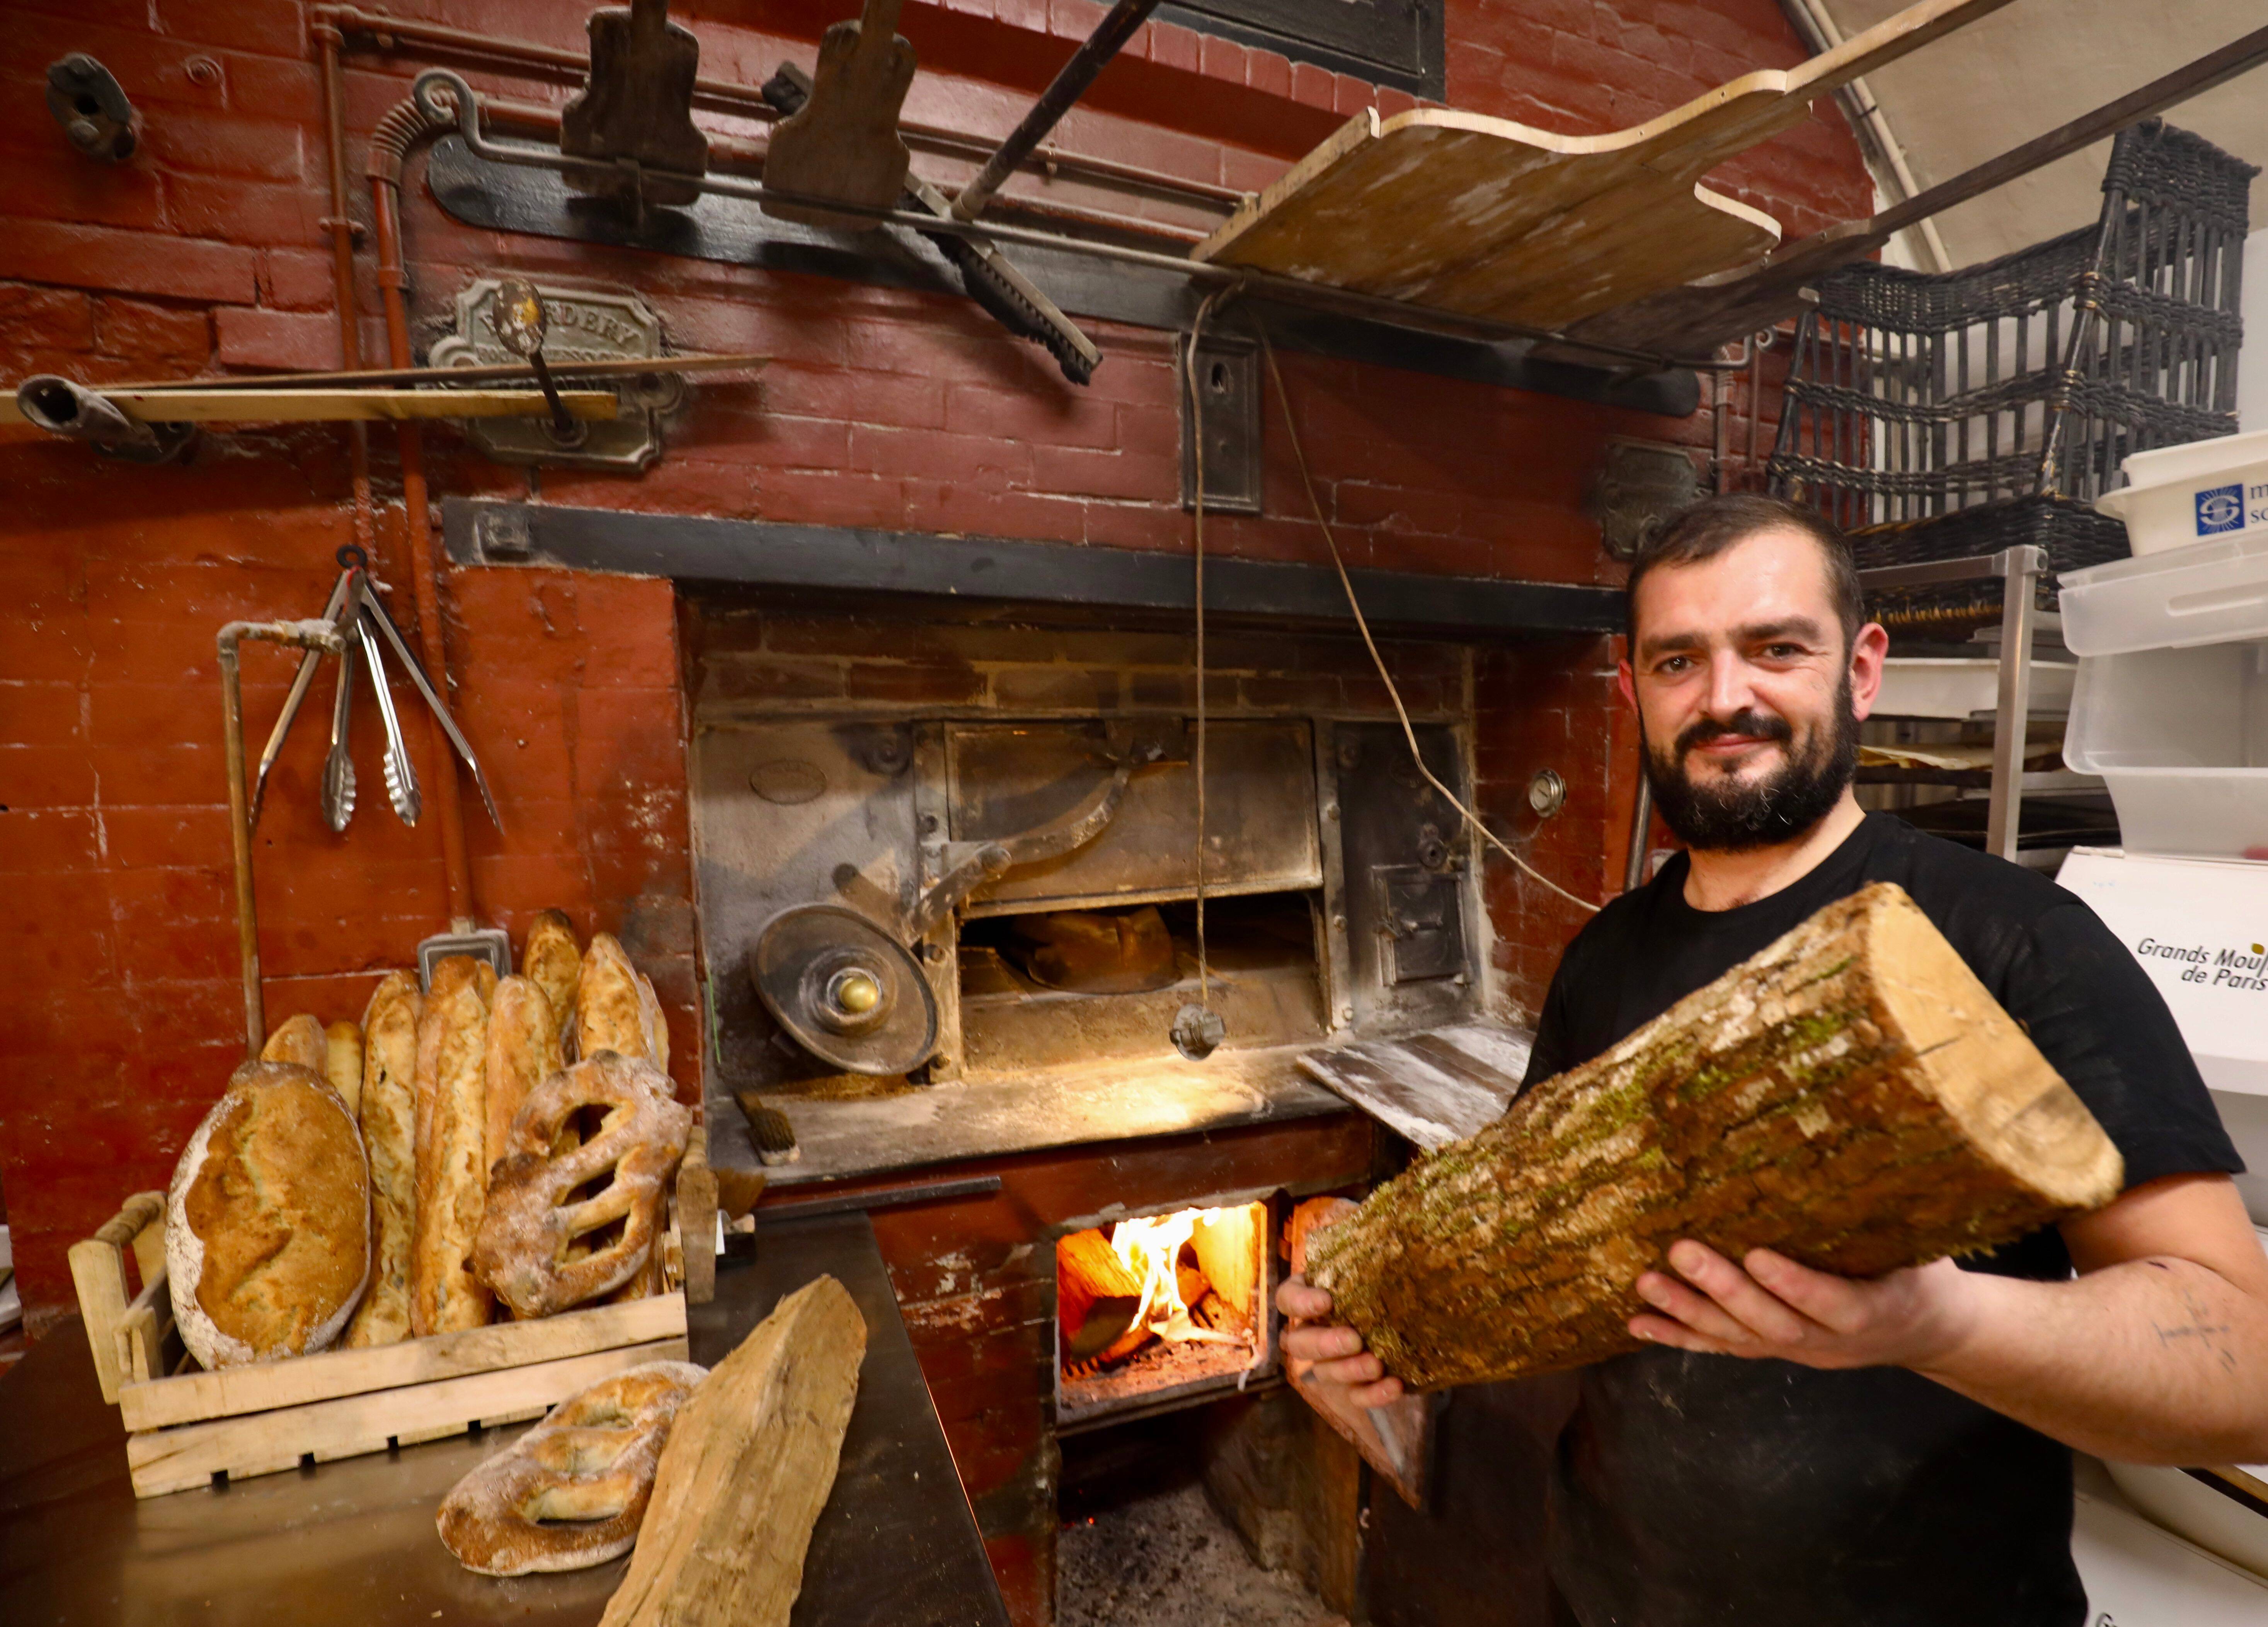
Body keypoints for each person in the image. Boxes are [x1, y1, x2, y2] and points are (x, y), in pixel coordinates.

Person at [1277, 494, 2268, 1625]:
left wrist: (1940, 1325)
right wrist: (1395, 1333)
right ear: (1631, 691)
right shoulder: (1603, 957)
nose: (1724, 698)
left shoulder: (2016, 940)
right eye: (1677, 662)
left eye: (1774, 648)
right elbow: (1557, 1271)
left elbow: (2246, 1366)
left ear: (1860, 670)